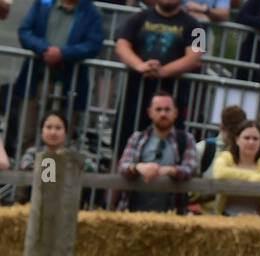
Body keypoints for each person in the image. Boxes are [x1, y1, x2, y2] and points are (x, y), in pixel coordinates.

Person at [113, 0, 203, 153]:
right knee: (123, 144)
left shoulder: (196, 27)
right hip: (135, 95)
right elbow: (121, 46)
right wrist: (140, 66)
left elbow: (196, 57)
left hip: (172, 97)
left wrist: (164, 71)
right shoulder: (136, 18)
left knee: (171, 149)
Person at [16, 0, 104, 144]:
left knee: (61, 139)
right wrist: (44, 49)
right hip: (36, 78)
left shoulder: (91, 12)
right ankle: (29, 165)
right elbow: (25, 31)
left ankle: (52, 167)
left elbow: (94, 44)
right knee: (28, 132)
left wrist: (63, 53)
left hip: (71, 83)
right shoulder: (43, 3)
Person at [117, 91, 198, 213]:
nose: (163, 114)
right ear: (150, 112)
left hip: (172, 216)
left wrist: (171, 170)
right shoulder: (137, 137)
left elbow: (191, 168)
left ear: (175, 113)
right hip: (133, 213)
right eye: (158, 109)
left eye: (167, 109)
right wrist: (138, 168)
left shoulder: (187, 139)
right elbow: (123, 166)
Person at [212, 120, 260, 215]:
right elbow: (219, 173)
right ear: (237, 140)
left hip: (258, 220)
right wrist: (255, 177)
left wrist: (237, 176)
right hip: (225, 218)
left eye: (255, 139)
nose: (251, 142)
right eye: (246, 138)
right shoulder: (226, 156)